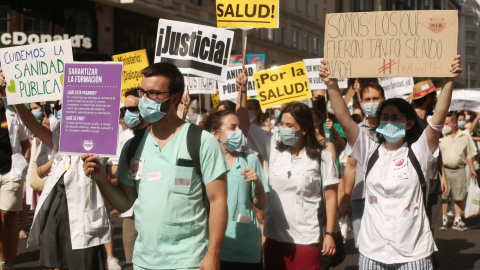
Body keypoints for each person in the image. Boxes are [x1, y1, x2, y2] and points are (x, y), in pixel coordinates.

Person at [320, 55, 462, 269]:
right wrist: (331, 83)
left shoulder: (419, 151)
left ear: (409, 123)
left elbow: (438, 119)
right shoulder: (368, 150)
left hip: (413, 255)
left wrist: (448, 81)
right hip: (372, 254)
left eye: (396, 118)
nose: (389, 122)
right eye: (385, 117)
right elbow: (345, 119)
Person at [82, 62, 229, 270]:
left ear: (175, 98)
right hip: (144, 261)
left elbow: (218, 200)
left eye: (153, 94)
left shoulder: (202, 141)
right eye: (143, 92)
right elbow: (125, 203)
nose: (144, 99)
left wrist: (213, 255)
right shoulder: (132, 146)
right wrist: (100, 179)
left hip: (189, 262)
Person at [236, 70, 339, 269]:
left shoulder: (322, 155)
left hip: (307, 239)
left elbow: (331, 196)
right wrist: (242, 90)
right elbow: (243, 123)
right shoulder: (273, 144)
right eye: (281, 123)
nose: (283, 128)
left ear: (304, 128)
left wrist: (330, 234)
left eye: (289, 125)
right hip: (274, 238)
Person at [13, 97, 112, 270]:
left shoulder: (99, 137)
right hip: (56, 209)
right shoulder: (58, 138)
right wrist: (14, 98)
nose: (63, 109)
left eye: (68, 104)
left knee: (84, 263)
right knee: (55, 263)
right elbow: (31, 124)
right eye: (60, 106)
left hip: (83, 212)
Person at [202, 110, 269, 270]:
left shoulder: (250, 160)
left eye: (240, 127)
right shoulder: (205, 162)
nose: (239, 131)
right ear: (216, 134)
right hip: (212, 248)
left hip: (245, 249)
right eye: (233, 127)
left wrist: (258, 184)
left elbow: (261, 205)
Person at [340, 81, 385, 248]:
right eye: (367, 99)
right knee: (364, 247)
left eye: (376, 98)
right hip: (360, 199)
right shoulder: (356, 132)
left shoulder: (393, 129)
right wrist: (346, 200)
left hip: (387, 199)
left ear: (383, 99)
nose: (371, 103)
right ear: (361, 102)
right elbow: (350, 167)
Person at [107, 88, 149, 266]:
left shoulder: (156, 135)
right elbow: (113, 168)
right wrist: (129, 169)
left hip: (151, 207)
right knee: (131, 261)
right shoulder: (123, 137)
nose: (128, 114)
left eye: (134, 109)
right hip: (129, 209)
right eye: (126, 110)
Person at [0, 75, 30, 270]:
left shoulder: (12, 113)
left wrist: (22, 166)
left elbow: (25, 144)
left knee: (8, 218)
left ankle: (7, 264)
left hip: (10, 173)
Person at [439, 112, 477, 231]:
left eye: (446, 123)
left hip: (459, 170)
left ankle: (457, 219)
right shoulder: (441, 137)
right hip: (444, 171)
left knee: (459, 196)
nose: (444, 126)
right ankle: (444, 219)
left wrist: (472, 169)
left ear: (454, 124)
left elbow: (470, 155)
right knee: (444, 196)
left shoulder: (464, 137)